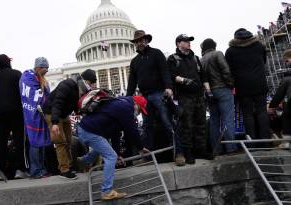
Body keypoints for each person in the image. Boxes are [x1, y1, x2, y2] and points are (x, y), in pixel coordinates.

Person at [126, 30, 183, 165]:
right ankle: (148, 156)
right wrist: (128, 99)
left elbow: (165, 71)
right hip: (145, 96)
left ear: (146, 40)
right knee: (147, 126)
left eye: (141, 40)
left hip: (159, 92)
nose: (139, 43)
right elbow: (132, 82)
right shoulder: (135, 62)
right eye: (137, 41)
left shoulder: (156, 53)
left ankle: (179, 152)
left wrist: (168, 87)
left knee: (167, 122)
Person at [77, 95, 149, 201]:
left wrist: (118, 153)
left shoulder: (119, 103)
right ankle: (106, 191)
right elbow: (132, 130)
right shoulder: (125, 108)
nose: (138, 114)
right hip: (90, 131)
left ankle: (83, 161)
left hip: (87, 129)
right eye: (139, 110)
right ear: (136, 105)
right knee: (111, 156)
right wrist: (140, 147)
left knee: (104, 148)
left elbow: (115, 133)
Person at [44, 69, 97, 179]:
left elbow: (75, 104)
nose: (92, 86)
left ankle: (69, 165)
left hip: (64, 115)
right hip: (52, 112)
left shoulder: (82, 90)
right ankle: (64, 170)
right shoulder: (67, 85)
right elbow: (57, 103)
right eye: (91, 83)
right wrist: (54, 123)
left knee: (69, 140)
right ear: (86, 81)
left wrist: (79, 112)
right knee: (60, 141)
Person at [167, 34, 211, 164]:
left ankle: (201, 150)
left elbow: (203, 75)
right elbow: (171, 75)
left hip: (199, 95)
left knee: (201, 123)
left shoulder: (196, 58)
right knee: (186, 125)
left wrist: (207, 90)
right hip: (184, 97)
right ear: (178, 43)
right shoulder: (172, 59)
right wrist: (184, 81)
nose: (188, 43)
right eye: (185, 41)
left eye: (189, 41)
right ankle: (188, 152)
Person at [225, 28, 270, 142]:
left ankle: (251, 143)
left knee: (247, 114)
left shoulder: (230, 51)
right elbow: (263, 61)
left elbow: (229, 69)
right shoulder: (259, 46)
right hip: (260, 83)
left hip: (242, 86)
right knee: (262, 112)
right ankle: (266, 141)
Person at [0, 54, 27, 179]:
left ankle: (0, 172)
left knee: (0, 142)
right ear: (7, 62)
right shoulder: (16, 74)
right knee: (19, 140)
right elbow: (24, 93)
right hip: (16, 112)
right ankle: (20, 169)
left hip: (0, 115)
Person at [200, 38, 237, 155]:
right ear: (213, 46)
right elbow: (226, 71)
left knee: (214, 121)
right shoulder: (217, 54)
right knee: (228, 119)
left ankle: (216, 149)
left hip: (209, 93)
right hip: (222, 89)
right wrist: (231, 85)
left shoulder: (201, 60)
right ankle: (231, 148)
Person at [20, 57, 51, 179]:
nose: (46, 71)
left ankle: (42, 169)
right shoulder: (28, 77)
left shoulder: (40, 78)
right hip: (32, 114)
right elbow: (34, 95)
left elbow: (45, 94)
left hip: (41, 114)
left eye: (47, 68)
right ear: (38, 67)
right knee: (35, 143)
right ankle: (35, 171)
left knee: (41, 143)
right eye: (45, 68)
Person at [268, 49, 291, 147]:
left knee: (287, 115)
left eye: (287, 60)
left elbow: (279, 95)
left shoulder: (287, 79)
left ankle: (287, 142)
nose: (287, 63)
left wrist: (272, 106)